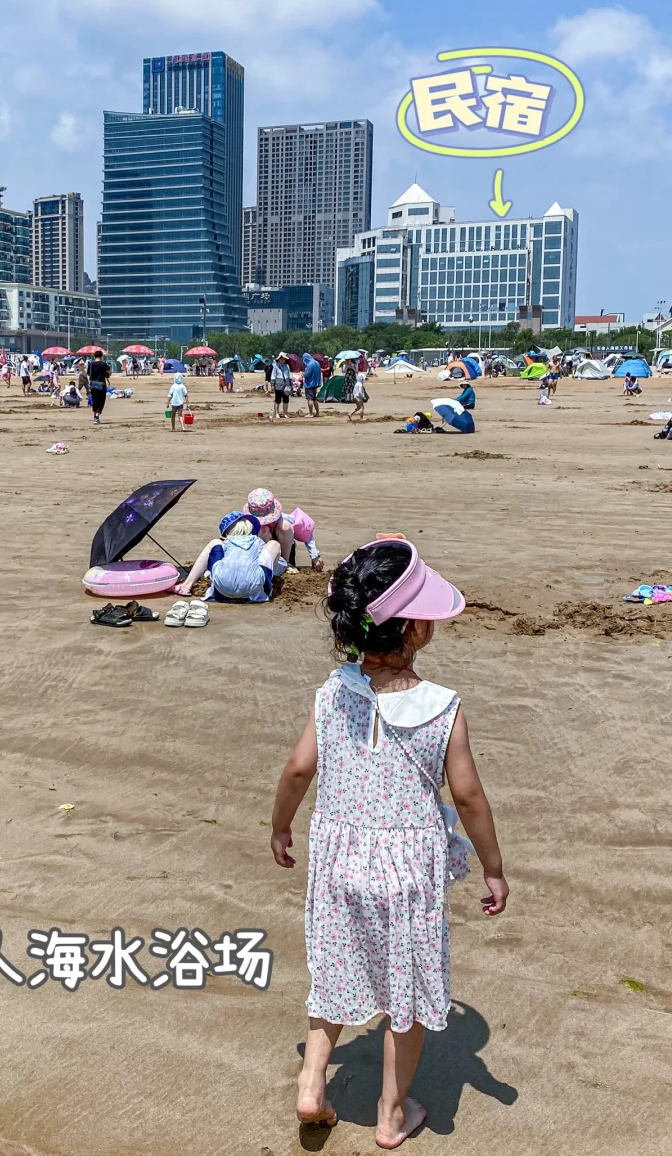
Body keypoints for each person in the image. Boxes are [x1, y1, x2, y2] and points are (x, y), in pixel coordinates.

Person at [270, 538, 507, 1141]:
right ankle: (391, 1113)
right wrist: (493, 867)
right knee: (408, 994)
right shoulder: (442, 708)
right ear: (418, 629)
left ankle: (312, 1082)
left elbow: (298, 769)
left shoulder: (333, 692)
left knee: (333, 969)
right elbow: (468, 796)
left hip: (339, 861)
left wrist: (280, 825)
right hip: (408, 873)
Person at [176, 512, 281, 602]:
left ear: (226, 533)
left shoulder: (225, 542)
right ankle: (268, 585)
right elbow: (272, 560)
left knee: (214, 543)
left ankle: (187, 585)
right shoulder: (256, 541)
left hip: (222, 590)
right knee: (274, 544)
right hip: (253, 590)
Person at [88, 352, 111, 426]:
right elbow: (109, 372)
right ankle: (97, 417)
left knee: (95, 401)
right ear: (101, 356)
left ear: (94, 356)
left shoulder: (91, 364)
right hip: (101, 385)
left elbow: (88, 373)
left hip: (93, 384)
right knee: (101, 401)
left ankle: (95, 416)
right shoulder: (103, 364)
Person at [270, 353, 292, 421]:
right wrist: (272, 385)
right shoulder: (275, 366)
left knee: (286, 400)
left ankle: (285, 413)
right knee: (277, 400)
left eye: (283, 359)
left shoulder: (287, 366)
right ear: (279, 359)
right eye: (281, 359)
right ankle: (277, 413)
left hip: (286, 385)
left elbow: (289, 375)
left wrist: (291, 384)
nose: (282, 360)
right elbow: (273, 376)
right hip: (278, 385)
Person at [302, 353, 323, 418]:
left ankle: (310, 413)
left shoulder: (310, 364)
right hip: (316, 383)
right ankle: (317, 413)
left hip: (309, 384)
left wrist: (303, 374)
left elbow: (307, 374)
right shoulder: (317, 363)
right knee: (314, 399)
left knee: (310, 399)